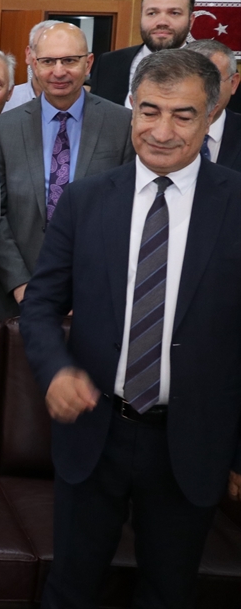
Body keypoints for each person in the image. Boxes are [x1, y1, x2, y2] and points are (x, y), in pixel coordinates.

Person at [20, 48, 241, 607]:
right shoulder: (86, 199)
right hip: (96, 433)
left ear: (212, 115)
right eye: (149, 111)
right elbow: (40, 306)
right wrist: (55, 369)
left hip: (191, 442)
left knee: (168, 592)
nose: (162, 131)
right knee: (71, 588)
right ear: (130, 109)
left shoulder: (237, 205)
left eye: (183, 115)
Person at [0, 22, 133, 318]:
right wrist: (20, 284)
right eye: (48, 61)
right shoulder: (4, 128)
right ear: (32, 62)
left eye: (69, 60)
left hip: (95, 296)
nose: (58, 71)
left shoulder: (122, 125)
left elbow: (125, 214)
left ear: (88, 62)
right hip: (17, 296)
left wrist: (89, 288)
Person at [90, 0, 194, 106]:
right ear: (141, 17)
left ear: (191, 20)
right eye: (152, 13)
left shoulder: (212, 68)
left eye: (174, 13)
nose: (162, 22)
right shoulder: (108, 64)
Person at [186, 39, 241, 172]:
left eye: (212, 80)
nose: (201, 90)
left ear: (233, 83)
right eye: (189, 80)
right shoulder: (153, 131)